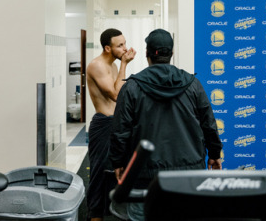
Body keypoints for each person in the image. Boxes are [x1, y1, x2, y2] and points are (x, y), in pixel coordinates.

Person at [109, 28, 223, 221]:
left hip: (143, 177)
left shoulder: (131, 88)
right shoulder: (193, 84)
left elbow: (120, 131)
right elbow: (209, 125)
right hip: (189, 177)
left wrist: (118, 163)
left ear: (147, 54)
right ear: (171, 54)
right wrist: (214, 154)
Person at [85, 28, 136, 221]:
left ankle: (113, 212)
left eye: (124, 43)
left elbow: (120, 92)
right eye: (120, 45)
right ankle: (95, 216)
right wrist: (124, 64)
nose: (125, 48)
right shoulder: (97, 66)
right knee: (99, 172)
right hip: (103, 124)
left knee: (117, 169)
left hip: (116, 123)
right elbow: (116, 95)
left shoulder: (114, 65)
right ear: (107, 48)